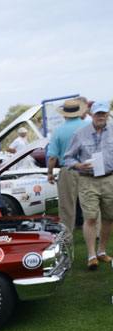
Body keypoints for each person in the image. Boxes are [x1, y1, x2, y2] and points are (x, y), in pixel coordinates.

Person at [63, 101, 113, 270]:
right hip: (87, 180)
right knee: (90, 218)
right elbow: (68, 157)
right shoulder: (80, 133)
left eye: (103, 113)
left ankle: (102, 251)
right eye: (97, 113)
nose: (100, 116)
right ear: (91, 113)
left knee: (109, 218)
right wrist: (78, 165)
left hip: (109, 179)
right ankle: (91, 255)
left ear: (108, 114)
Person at [47, 97, 90, 240]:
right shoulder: (89, 126)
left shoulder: (59, 131)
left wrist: (49, 173)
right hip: (89, 168)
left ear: (64, 114)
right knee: (91, 202)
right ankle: (96, 233)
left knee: (67, 206)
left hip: (68, 169)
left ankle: (66, 235)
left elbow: (52, 156)